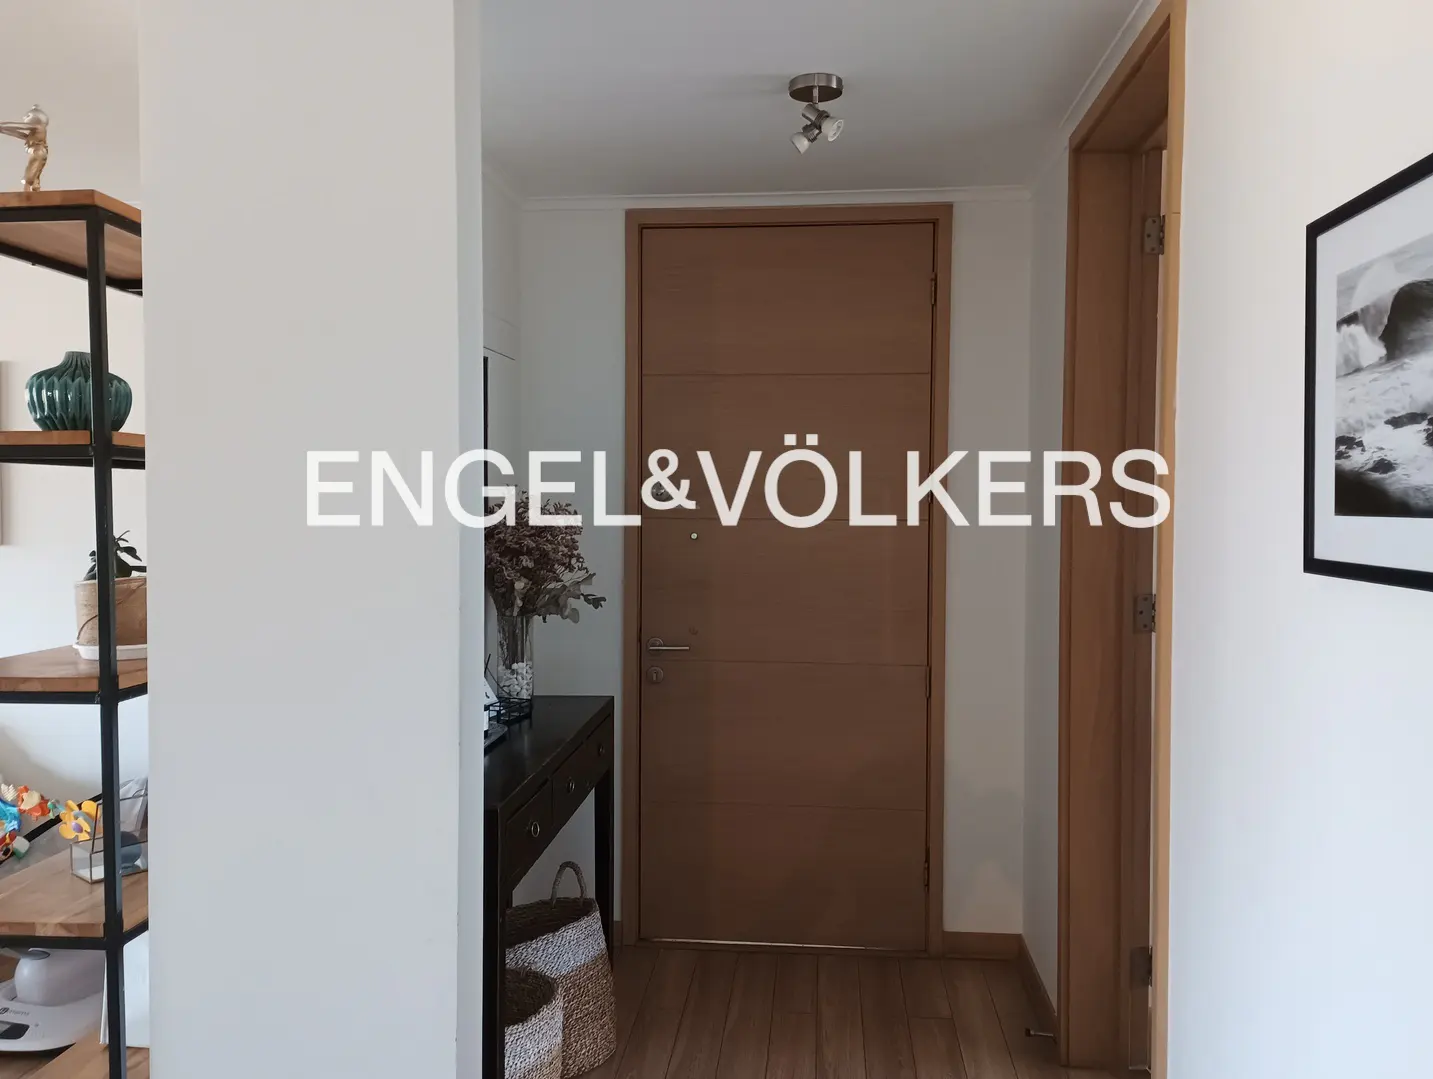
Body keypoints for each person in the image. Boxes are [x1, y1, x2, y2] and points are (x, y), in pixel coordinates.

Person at [0, 106, 50, 192]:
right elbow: (18, 134)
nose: (25, 118)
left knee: (30, 173)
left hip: (38, 151)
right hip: (39, 152)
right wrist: (3, 130)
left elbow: (21, 126)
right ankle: (34, 190)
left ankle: (27, 192)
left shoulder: (39, 126)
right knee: (35, 173)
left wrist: (3, 124)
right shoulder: (33, 133)